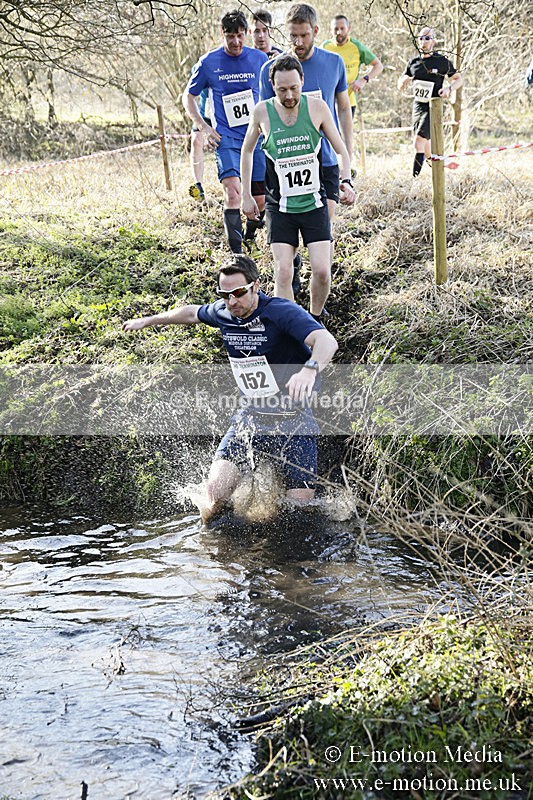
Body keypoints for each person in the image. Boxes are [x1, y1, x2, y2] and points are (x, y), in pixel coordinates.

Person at [122, 254, 338, 523]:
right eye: (225, 295)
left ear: (256, 286)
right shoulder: (224, 312)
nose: (232, 301)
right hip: (248, 421)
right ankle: (214, 557)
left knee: (297, 515)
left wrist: (310, 369)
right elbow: (191, 313)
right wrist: (149, 321)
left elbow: (326, 340)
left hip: (294, 424)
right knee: (213, 499)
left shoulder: (281, 312)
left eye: (239, 292)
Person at [241, 55, 355, 320]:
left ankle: (314, 318)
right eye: (282, 90)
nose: (289, 95)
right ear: (272, 86)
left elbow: (341, 151)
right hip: (280, 205)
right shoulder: (261, 112)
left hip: (314, 202)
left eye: (294, 87)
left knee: (322, 270)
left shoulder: (317, 108)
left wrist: (346, 179)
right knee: (283, 271)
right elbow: (247, 151)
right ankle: (293, 326)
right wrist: (246, 195)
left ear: (302, 81)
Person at [182, 10, 268, 254]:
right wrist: (203, 126)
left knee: (259, 202)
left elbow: (272, 94)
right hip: (227, 140)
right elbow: (188, 96)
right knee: (233, 194)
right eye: (230, 36)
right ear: (222, 34)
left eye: (240, 36)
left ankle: (250, 238)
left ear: (247, 33)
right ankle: (236, 255)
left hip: (256, 139)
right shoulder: (208, 62)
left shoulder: (259, 60)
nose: (236, 42)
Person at [398, 26, 463, 177]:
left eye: (427, 38)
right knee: (425, 145)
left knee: (418, 142)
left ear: (433, 41)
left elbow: (458, 79)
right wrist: (403, 81)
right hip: (418, 106)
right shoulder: (413, 62)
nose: (423, 41)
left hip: (433, 107)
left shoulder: (441, 61)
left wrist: (449, 89)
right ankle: (439, 166)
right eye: (421, 38)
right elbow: (400, 83)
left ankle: (414, 180)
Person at [322, 14, 383, 117]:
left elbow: (378, 66)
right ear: (330, 30)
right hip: (328, 102)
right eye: (335, 29)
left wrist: (363, 80)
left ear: (348, 28)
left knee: (346, 133)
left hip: (348, 101)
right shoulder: (324, 47)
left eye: (342, 28)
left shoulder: (356, 46)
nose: (339, 32)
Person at [188, 88, 211, 201]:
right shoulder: (199, 69)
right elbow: (190, 95)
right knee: (196, 141)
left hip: (226, 112)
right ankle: (198, 186)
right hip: (205, 114)